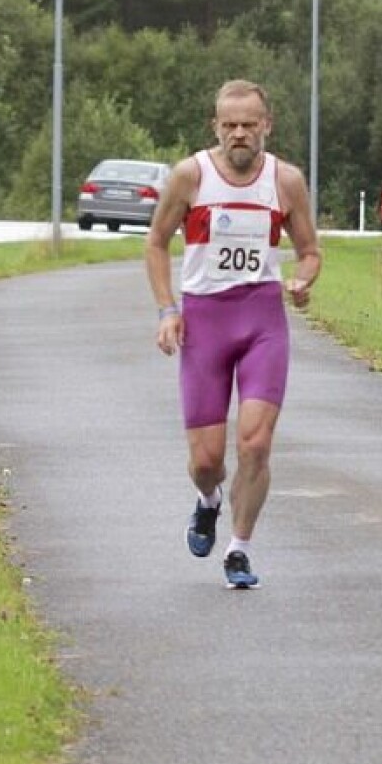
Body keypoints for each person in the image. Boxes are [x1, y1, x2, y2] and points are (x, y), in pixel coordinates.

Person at [146, 79, 322, 589]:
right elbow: (157, 243)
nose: (239, 134)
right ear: (215, 127)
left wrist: (304, 279)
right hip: (205, 322)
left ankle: (239, 550)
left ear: (266, 125)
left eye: (249, 125)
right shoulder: (190, 176)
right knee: (206, 461)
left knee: (256, 443)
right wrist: (166, 310)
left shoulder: (285, 181)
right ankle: (208, 501)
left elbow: (310, 249)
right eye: (230, 125)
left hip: (262, 320)